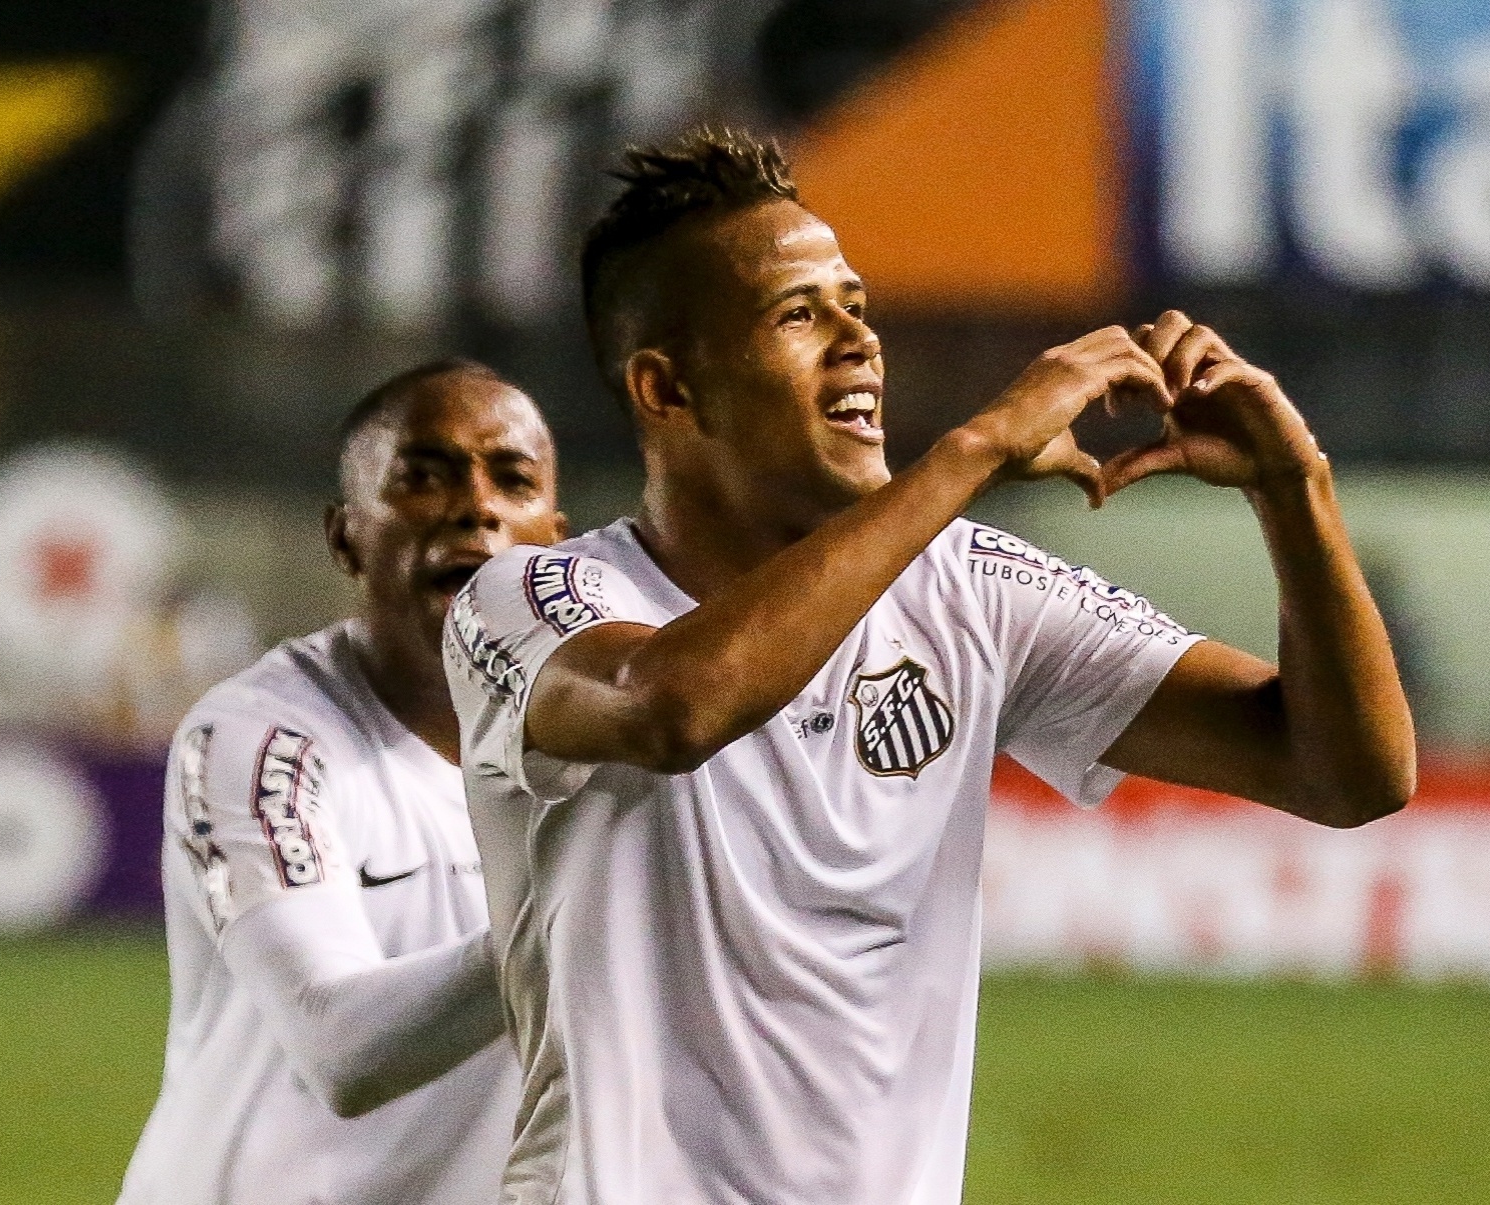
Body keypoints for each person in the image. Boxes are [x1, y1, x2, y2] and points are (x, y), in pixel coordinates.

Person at [444, 129, 1416, 1204]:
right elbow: (674, 707)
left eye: (853, 303)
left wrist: (1294, 489)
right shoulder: (525, 600)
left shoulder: (969, 590)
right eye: (798, 314)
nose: (857, 341)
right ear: (667, 391)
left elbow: (1347, 774)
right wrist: (978, 448)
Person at [120, 359, 566, 1205]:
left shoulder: (591, 767)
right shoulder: (260, 738)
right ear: (345, 535)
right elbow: (343, 1046)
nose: (477, 506)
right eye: (423, 477)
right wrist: (575, 908)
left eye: (512, 479)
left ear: (554, 538)